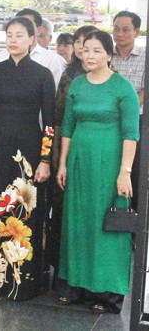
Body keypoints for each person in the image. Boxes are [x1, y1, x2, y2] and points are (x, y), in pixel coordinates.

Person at [56, 31, 139, 314]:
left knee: (106, 227)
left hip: (110, 164)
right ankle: (76, 287)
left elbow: (131, 133)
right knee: (78, 222)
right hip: (79, 161)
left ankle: (107, 294)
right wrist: (63, 163)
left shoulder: (122, 87)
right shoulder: (77, 84)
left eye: (96, 51)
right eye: (86, 50)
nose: (89, 55)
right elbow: (67, 127)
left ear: (108, 54)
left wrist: (125, 172)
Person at [0, 17, 55, 300]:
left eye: (20, 35)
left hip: (29, 152)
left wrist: (45, 159)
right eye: (9, 35)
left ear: (33, 39)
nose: (13, 40)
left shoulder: (43, 74)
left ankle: (24, 281)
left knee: (24, 213)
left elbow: (51, 123)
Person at [47, 24, 97, 291]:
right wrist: (55, 152)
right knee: (62, 206)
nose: (80, 47)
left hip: (93, 147)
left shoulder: (103, 75)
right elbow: (58, 116)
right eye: (77, 41)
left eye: (86, 42)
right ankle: (60, 269)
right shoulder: (68, 74)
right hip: (64, 145)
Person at [110, 11, 144, 192]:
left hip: (137, 120)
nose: (119, 34)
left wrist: (126, 107)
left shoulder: (145, 56)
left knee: (134, 169)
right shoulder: (106, 55)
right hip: (109, 120)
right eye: (116, 29)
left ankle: (133, 214)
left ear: (136, 32)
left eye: (125, 29)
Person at [0, 10, 65, 87]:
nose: (22, 28)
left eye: (27, 25)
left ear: (38, 30)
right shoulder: (0, 58)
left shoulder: (50, 59)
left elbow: (52, 93)